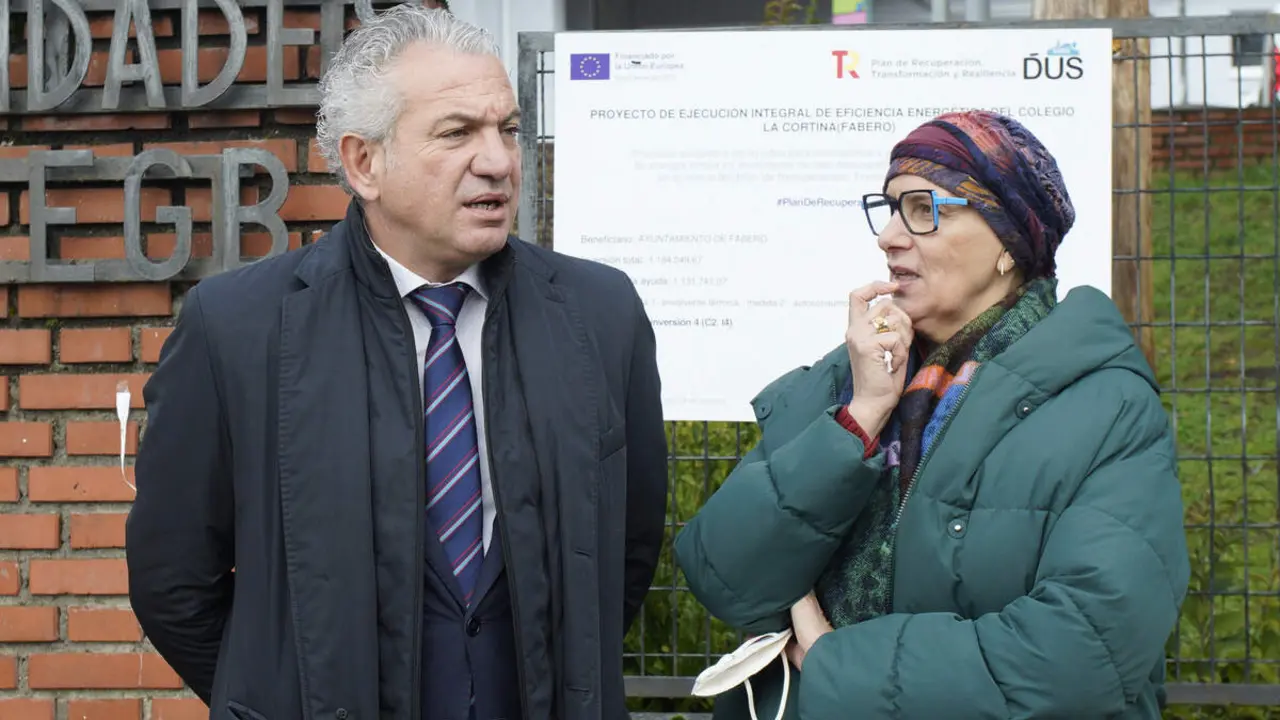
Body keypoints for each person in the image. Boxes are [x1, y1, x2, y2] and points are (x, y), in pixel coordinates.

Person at [125, 6, 668, 720]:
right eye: (457, 133)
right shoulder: (237, 328)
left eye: (507, 129)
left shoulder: (600, 314)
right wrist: (286, 693)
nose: (499, 161)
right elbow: (173, 582)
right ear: (364, 163)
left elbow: (627, 550)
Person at [673, 110, 1191, 719]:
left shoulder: (1107, 407)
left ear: (1006, 243)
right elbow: (725, 576)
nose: (889, 236)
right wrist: (861, 417)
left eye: (923, 209)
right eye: (890, 208)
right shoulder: (853, 375)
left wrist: (838, 667)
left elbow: (1084, 651)